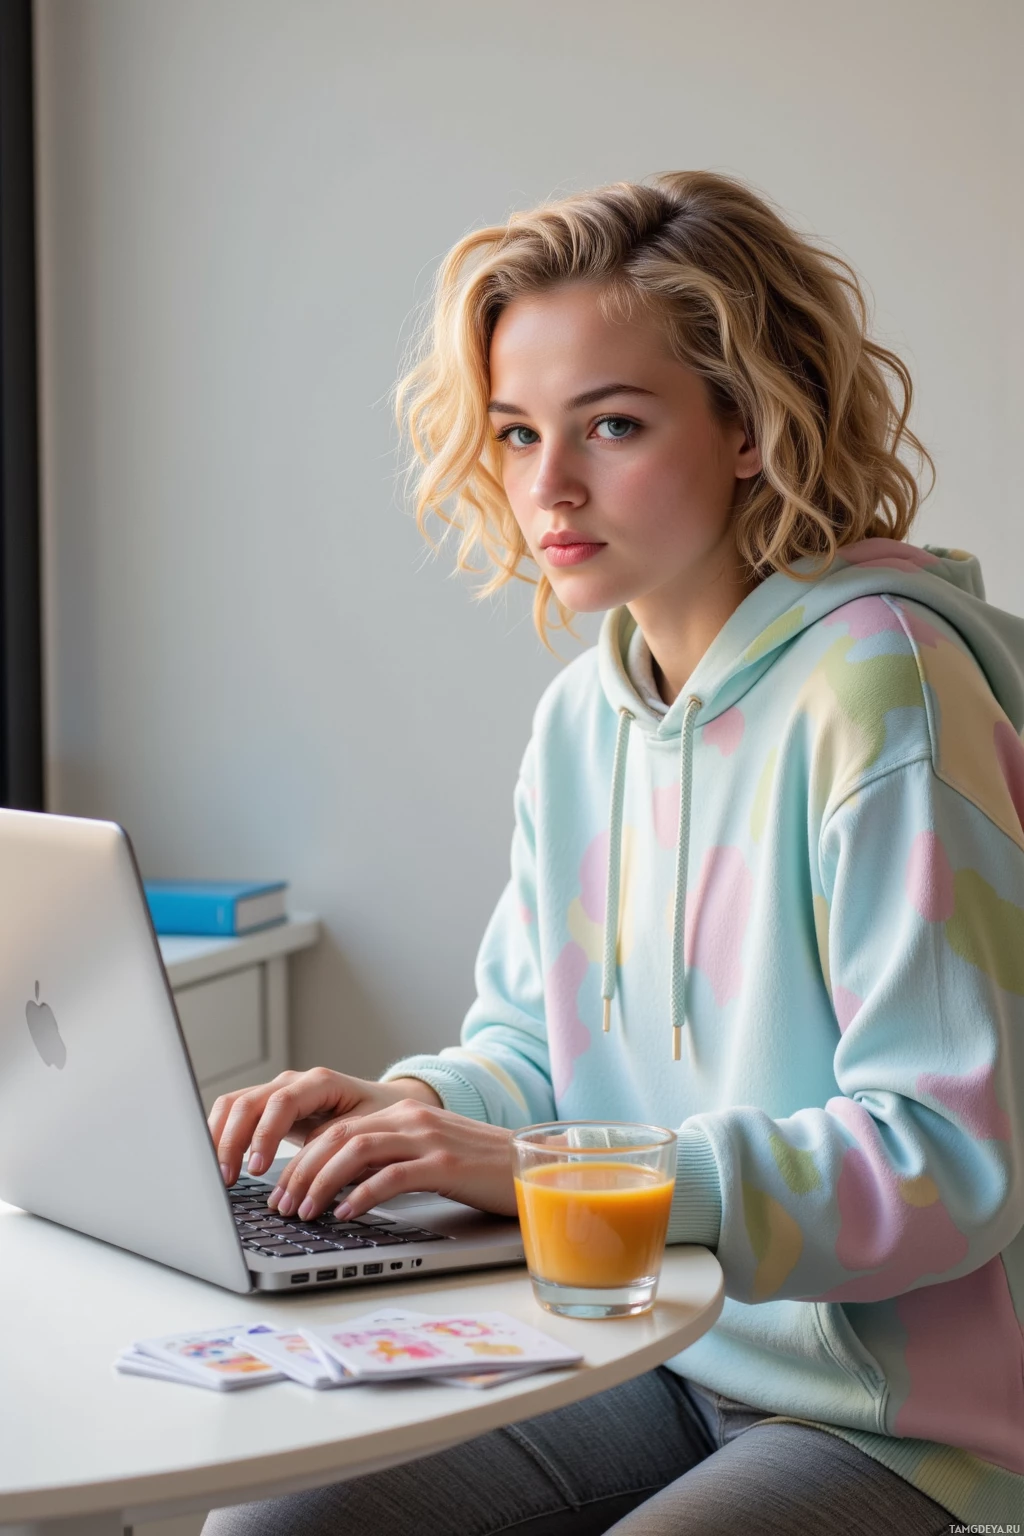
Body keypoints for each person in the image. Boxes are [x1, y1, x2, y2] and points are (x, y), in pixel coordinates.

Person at [203, 171, 1024, 1533]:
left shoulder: (886, 686)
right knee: (274, 1524)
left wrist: (541, 1174)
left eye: (614, 426)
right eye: (518, 434)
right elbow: (534, 1054)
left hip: (898, 1421)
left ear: (751, 426)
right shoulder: (587, 716)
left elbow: (950, 1161)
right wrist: (398, 1114)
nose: (549, 488)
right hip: (647, 1342)